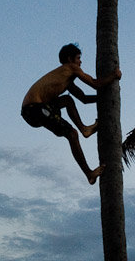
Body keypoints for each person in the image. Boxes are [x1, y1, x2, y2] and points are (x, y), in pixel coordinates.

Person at [21, 43, 121, 184]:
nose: (80, 62)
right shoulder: (70, 68)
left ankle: (85, 129)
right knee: (72, 135)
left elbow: (84, 99)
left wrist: (106, 98)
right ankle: (89, 174)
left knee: (67, 100)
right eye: (78, 58)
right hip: (33, 109)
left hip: (38, 109)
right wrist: (114, 76)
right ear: (70, 59)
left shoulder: (66, 80)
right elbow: (95, 83)